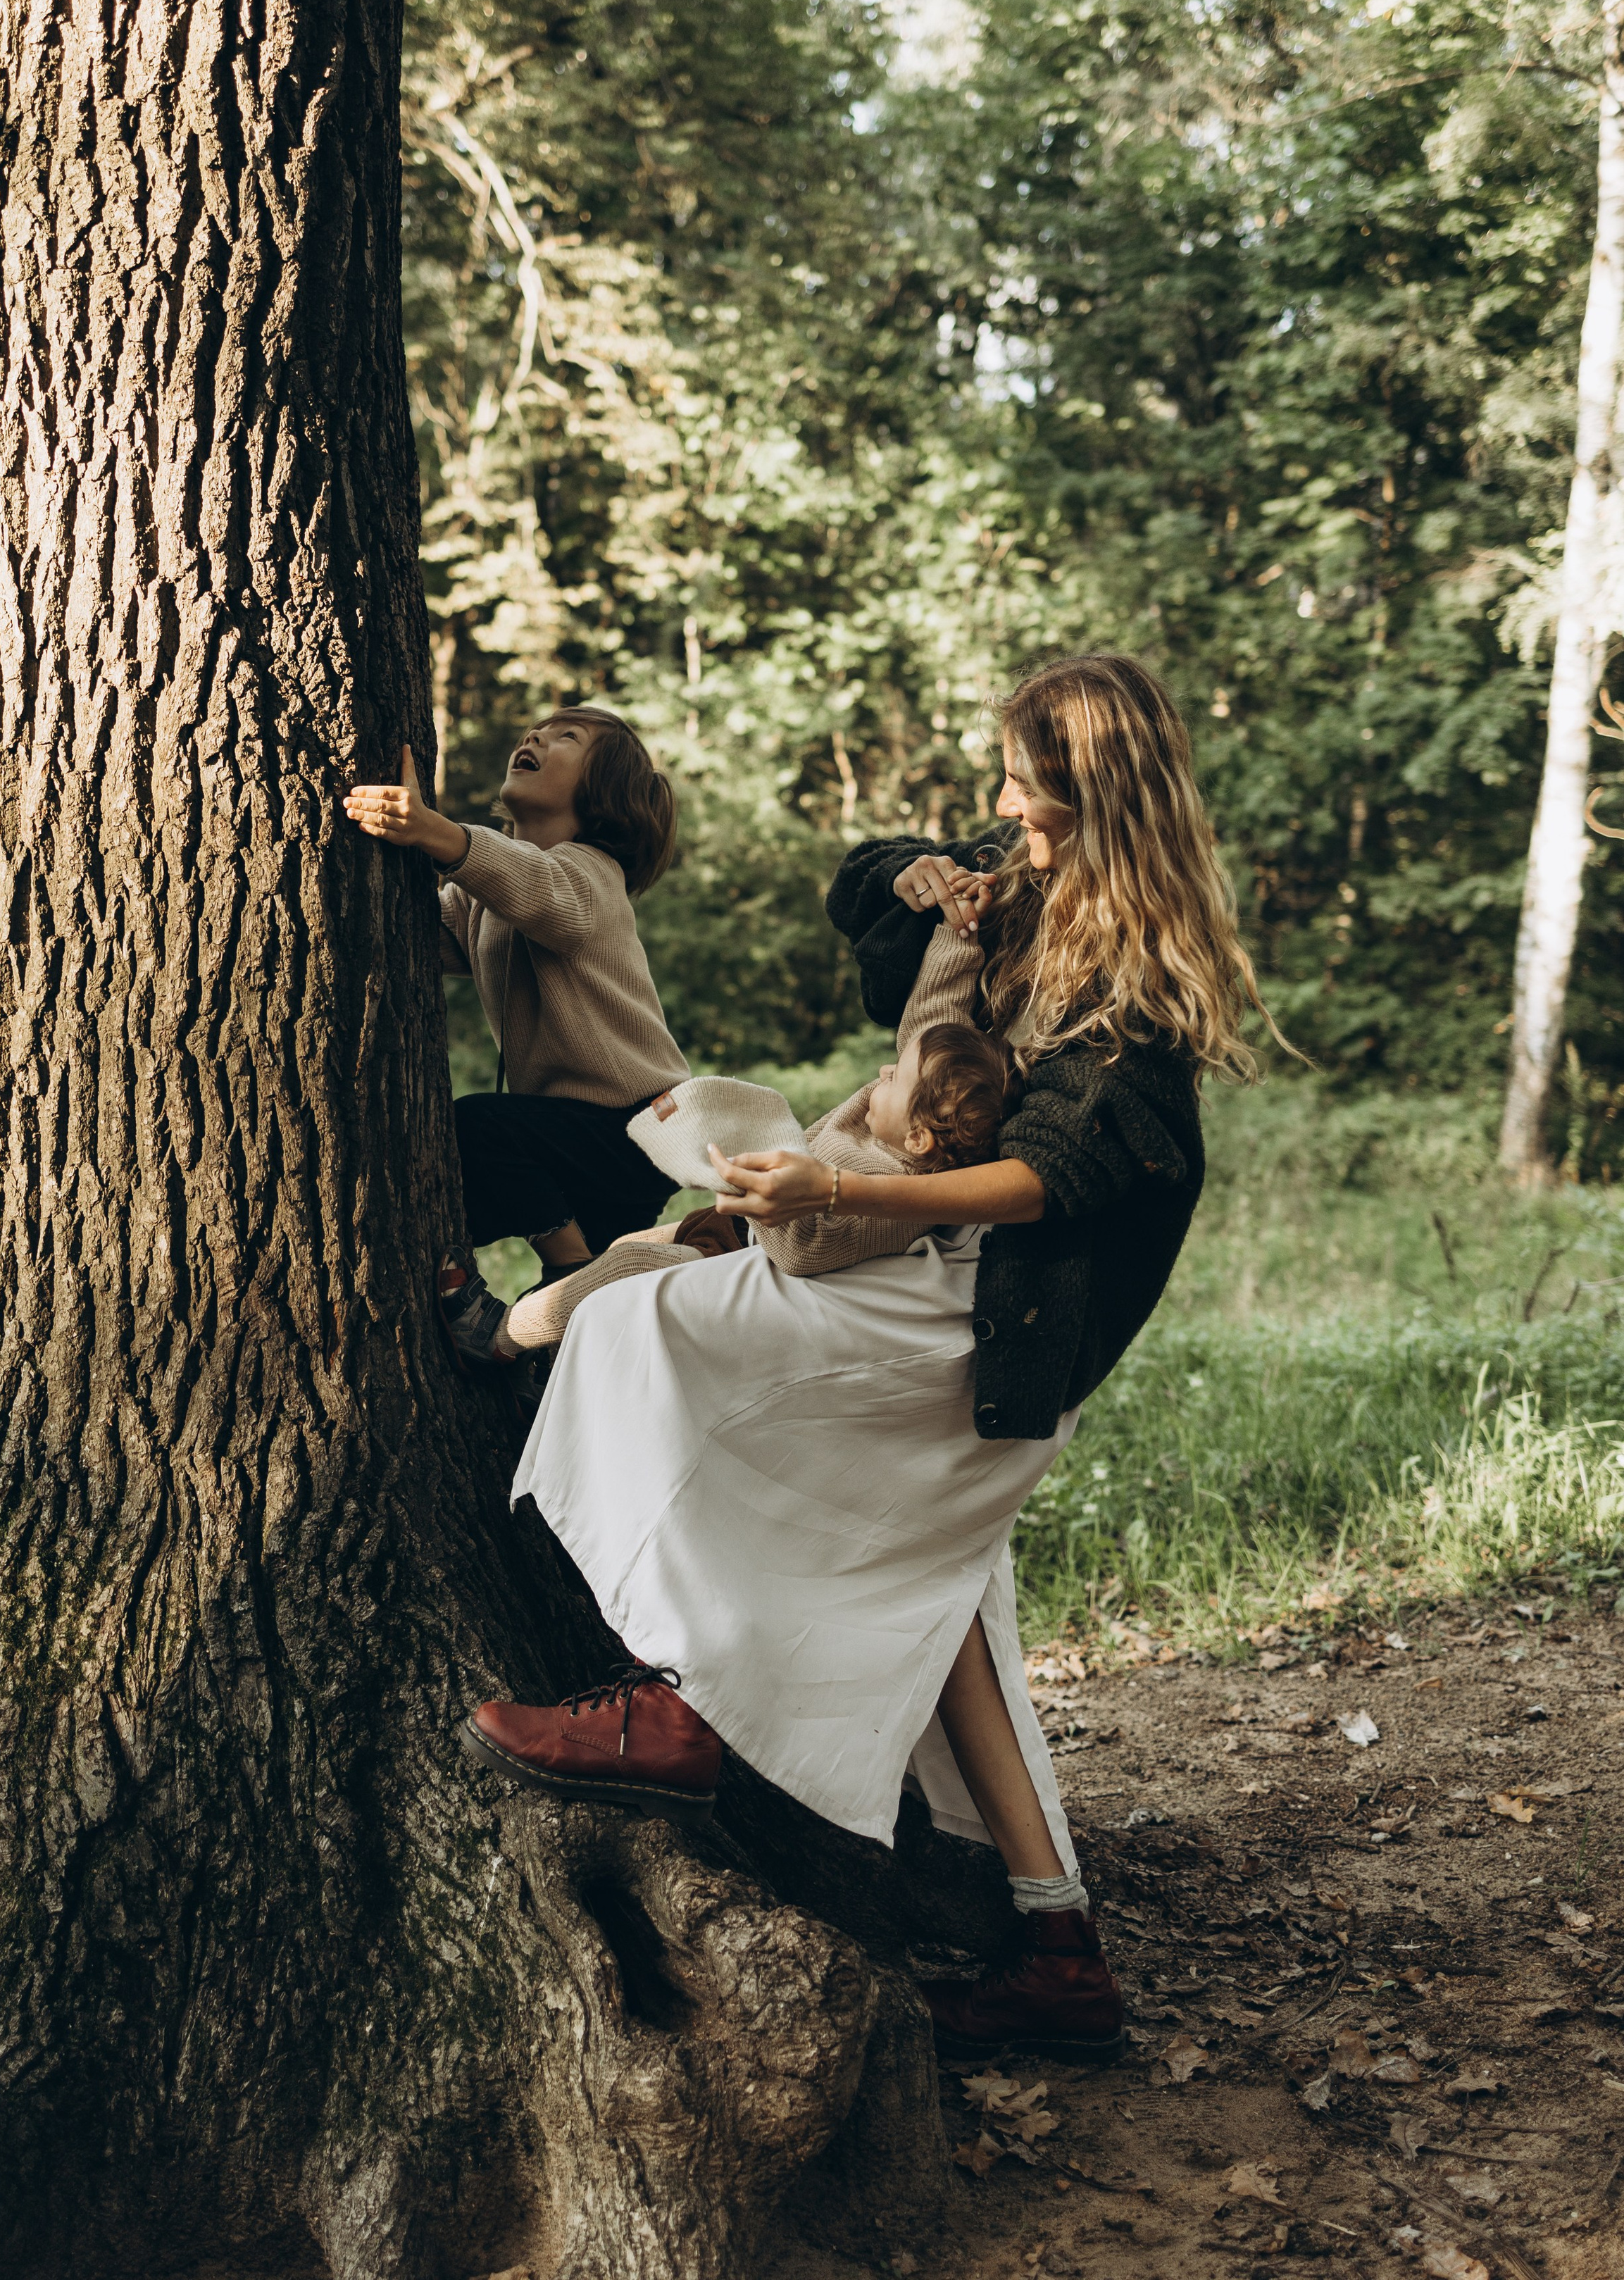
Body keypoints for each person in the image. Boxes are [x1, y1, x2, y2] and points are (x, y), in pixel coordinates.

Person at [461, 654, 1283, 2064]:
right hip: (951, 1289)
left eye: (1025, 789)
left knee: (644, 1324)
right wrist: (912, 876)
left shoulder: (1131, 980)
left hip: (982, 1317)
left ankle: (677, 1703)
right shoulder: (1023, 884)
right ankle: (1058, 1953)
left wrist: (836, 1190)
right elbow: (864, 894)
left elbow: (1050, 1179)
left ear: (1095, 796)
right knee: (941, 1608)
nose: (1005, 809)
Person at [495, 916, 1008, 1358]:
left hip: (742, 1256)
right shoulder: (911, 1116)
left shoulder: (896, 1202)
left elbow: (804, 1253)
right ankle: (548, 1358)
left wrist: (756, 1167)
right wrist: (957, 933)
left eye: (896, 1078)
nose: (883, 1071)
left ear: (918, 1140)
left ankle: (501, 1335)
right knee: (623, 1247)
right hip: (733, 1228)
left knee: (629, 1264)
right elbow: (931, 1018)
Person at [344, 707, 686, 1361]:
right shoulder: (483, 895)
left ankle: (566, 1275)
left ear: (602, 793)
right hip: (572, 1137)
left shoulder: (591, 873)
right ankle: (557, 1360)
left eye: (567, 737)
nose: (534, 737)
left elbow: (542, 892)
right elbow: (423, 934)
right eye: (536, 730)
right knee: (469, 1203)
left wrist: (434, 830)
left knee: (476, 1130)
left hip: (636, 1127)